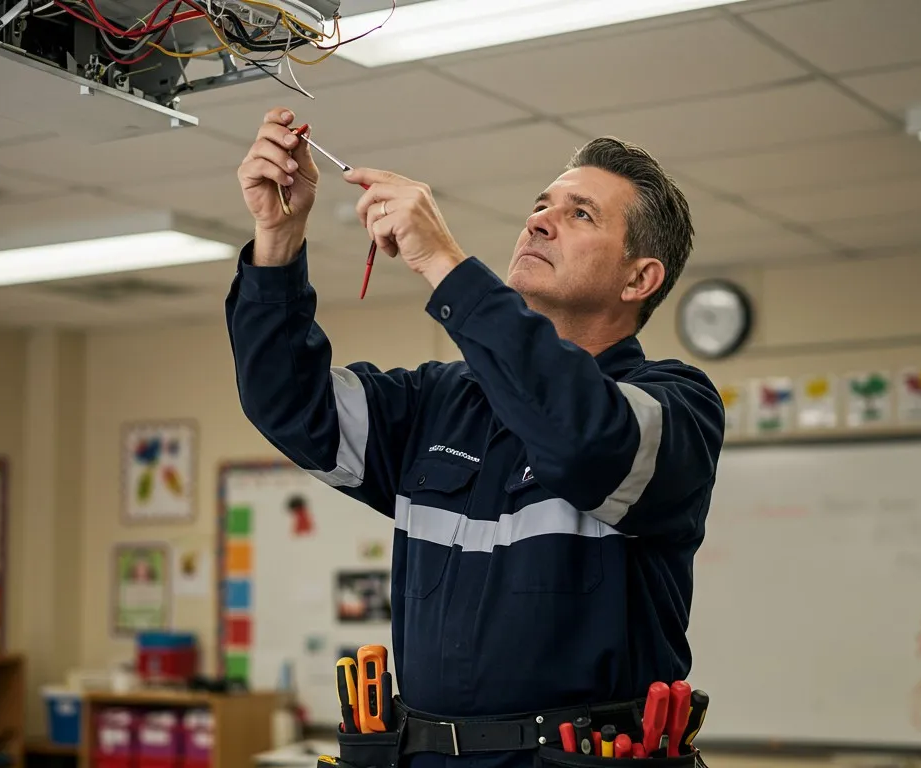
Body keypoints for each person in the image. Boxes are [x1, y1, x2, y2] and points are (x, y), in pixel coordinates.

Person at [226, 107, 725, 768]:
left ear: (639, 279)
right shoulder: (440, 401)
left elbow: (585, 441)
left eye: (580, 215)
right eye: (541, 203)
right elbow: (289, 404)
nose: (538, 219)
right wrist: (277, 240)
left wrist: (445, 262)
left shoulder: (676, 405)